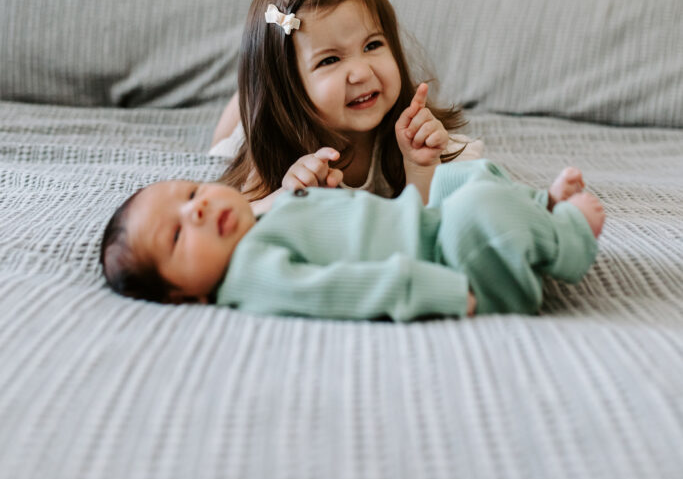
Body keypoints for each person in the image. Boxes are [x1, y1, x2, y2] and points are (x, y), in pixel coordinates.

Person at [99, 159, 604, 320]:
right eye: (177, 233)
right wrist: (435, 291)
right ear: (185, 295)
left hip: (429, 224)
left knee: (460, 179)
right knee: (476, 209)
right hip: (453, 268)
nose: (199, 208)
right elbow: (336, 288)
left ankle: (540, 208)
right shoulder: (250, 274)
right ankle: (570, 236)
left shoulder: (256, 223)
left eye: (190, 192)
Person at [211, 0, 483, 209]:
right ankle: (244, 100)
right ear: (286, 86)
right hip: (267, 121)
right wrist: (285, 195)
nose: (361, 73)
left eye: (372, 45)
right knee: (223, 146)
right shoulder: (271, 150)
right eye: (329, 60)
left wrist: (420, 167)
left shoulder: (417, 139)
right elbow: (243, 213)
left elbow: (427, 218)